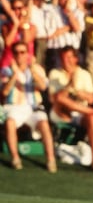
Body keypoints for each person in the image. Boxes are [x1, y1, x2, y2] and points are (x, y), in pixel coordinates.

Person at [48, 47, 93, 174]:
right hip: (61, 113)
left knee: (91, 118)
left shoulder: (84, 74)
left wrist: (80, 93)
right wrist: (69, 85)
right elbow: (54, 99)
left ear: (76, 59)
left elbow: (91, 99)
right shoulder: (55, 73)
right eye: (64, 58)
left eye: (70, 57)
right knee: (61, 98)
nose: (67, 61)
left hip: (81, 113)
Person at [1, 43, 57, 172]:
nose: (20, 55)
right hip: (14, 106)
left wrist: (31, 70)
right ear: (13, 55)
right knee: (10, 122)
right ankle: (15, 158)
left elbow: (43, 87)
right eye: (17, 52)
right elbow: (4, 92)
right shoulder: (6, 70)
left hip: (32, 107)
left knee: (43, 123)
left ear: (27, 54)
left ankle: (51, 160)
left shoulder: (36, 69)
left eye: (23, 52)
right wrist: (15, 74)